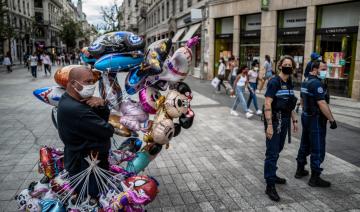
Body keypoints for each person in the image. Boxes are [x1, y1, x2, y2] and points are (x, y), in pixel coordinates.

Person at [57, 66, 115, 198]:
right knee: (91, 199)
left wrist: (101, 105)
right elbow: (107, 130)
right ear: (73, 83)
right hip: (86, 168)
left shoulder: (72, 99)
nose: (92, 85)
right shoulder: (76, 110)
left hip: (87, 162)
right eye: (87, 82)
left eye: (92, 81)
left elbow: (100, 120)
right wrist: (105, 116)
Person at [295, 61, 337, 187]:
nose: (325, 71)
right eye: (323, 69)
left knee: (305, 143)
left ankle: (300, 170)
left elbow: (302, 100)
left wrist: (306, 112)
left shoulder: (305, 81)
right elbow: (322, 103)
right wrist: (331, 120)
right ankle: (315, 178)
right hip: (316, 119)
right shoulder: (317, 84)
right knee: (317, 147)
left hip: (306, 116)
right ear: (315, 69)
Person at [263, 55, 298, 202]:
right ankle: (270, 185)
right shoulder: (274, 82)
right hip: (275, 119)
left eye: (290, 65)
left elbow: (290, 104)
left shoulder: (289, 82)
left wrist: (294, 120)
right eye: (286, 64)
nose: (288, 66)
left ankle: (273, 174)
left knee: (278, 149)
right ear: (280, 66)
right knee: (272, 152)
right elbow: (267, 104)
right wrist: (269, 125)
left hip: (284, 120)